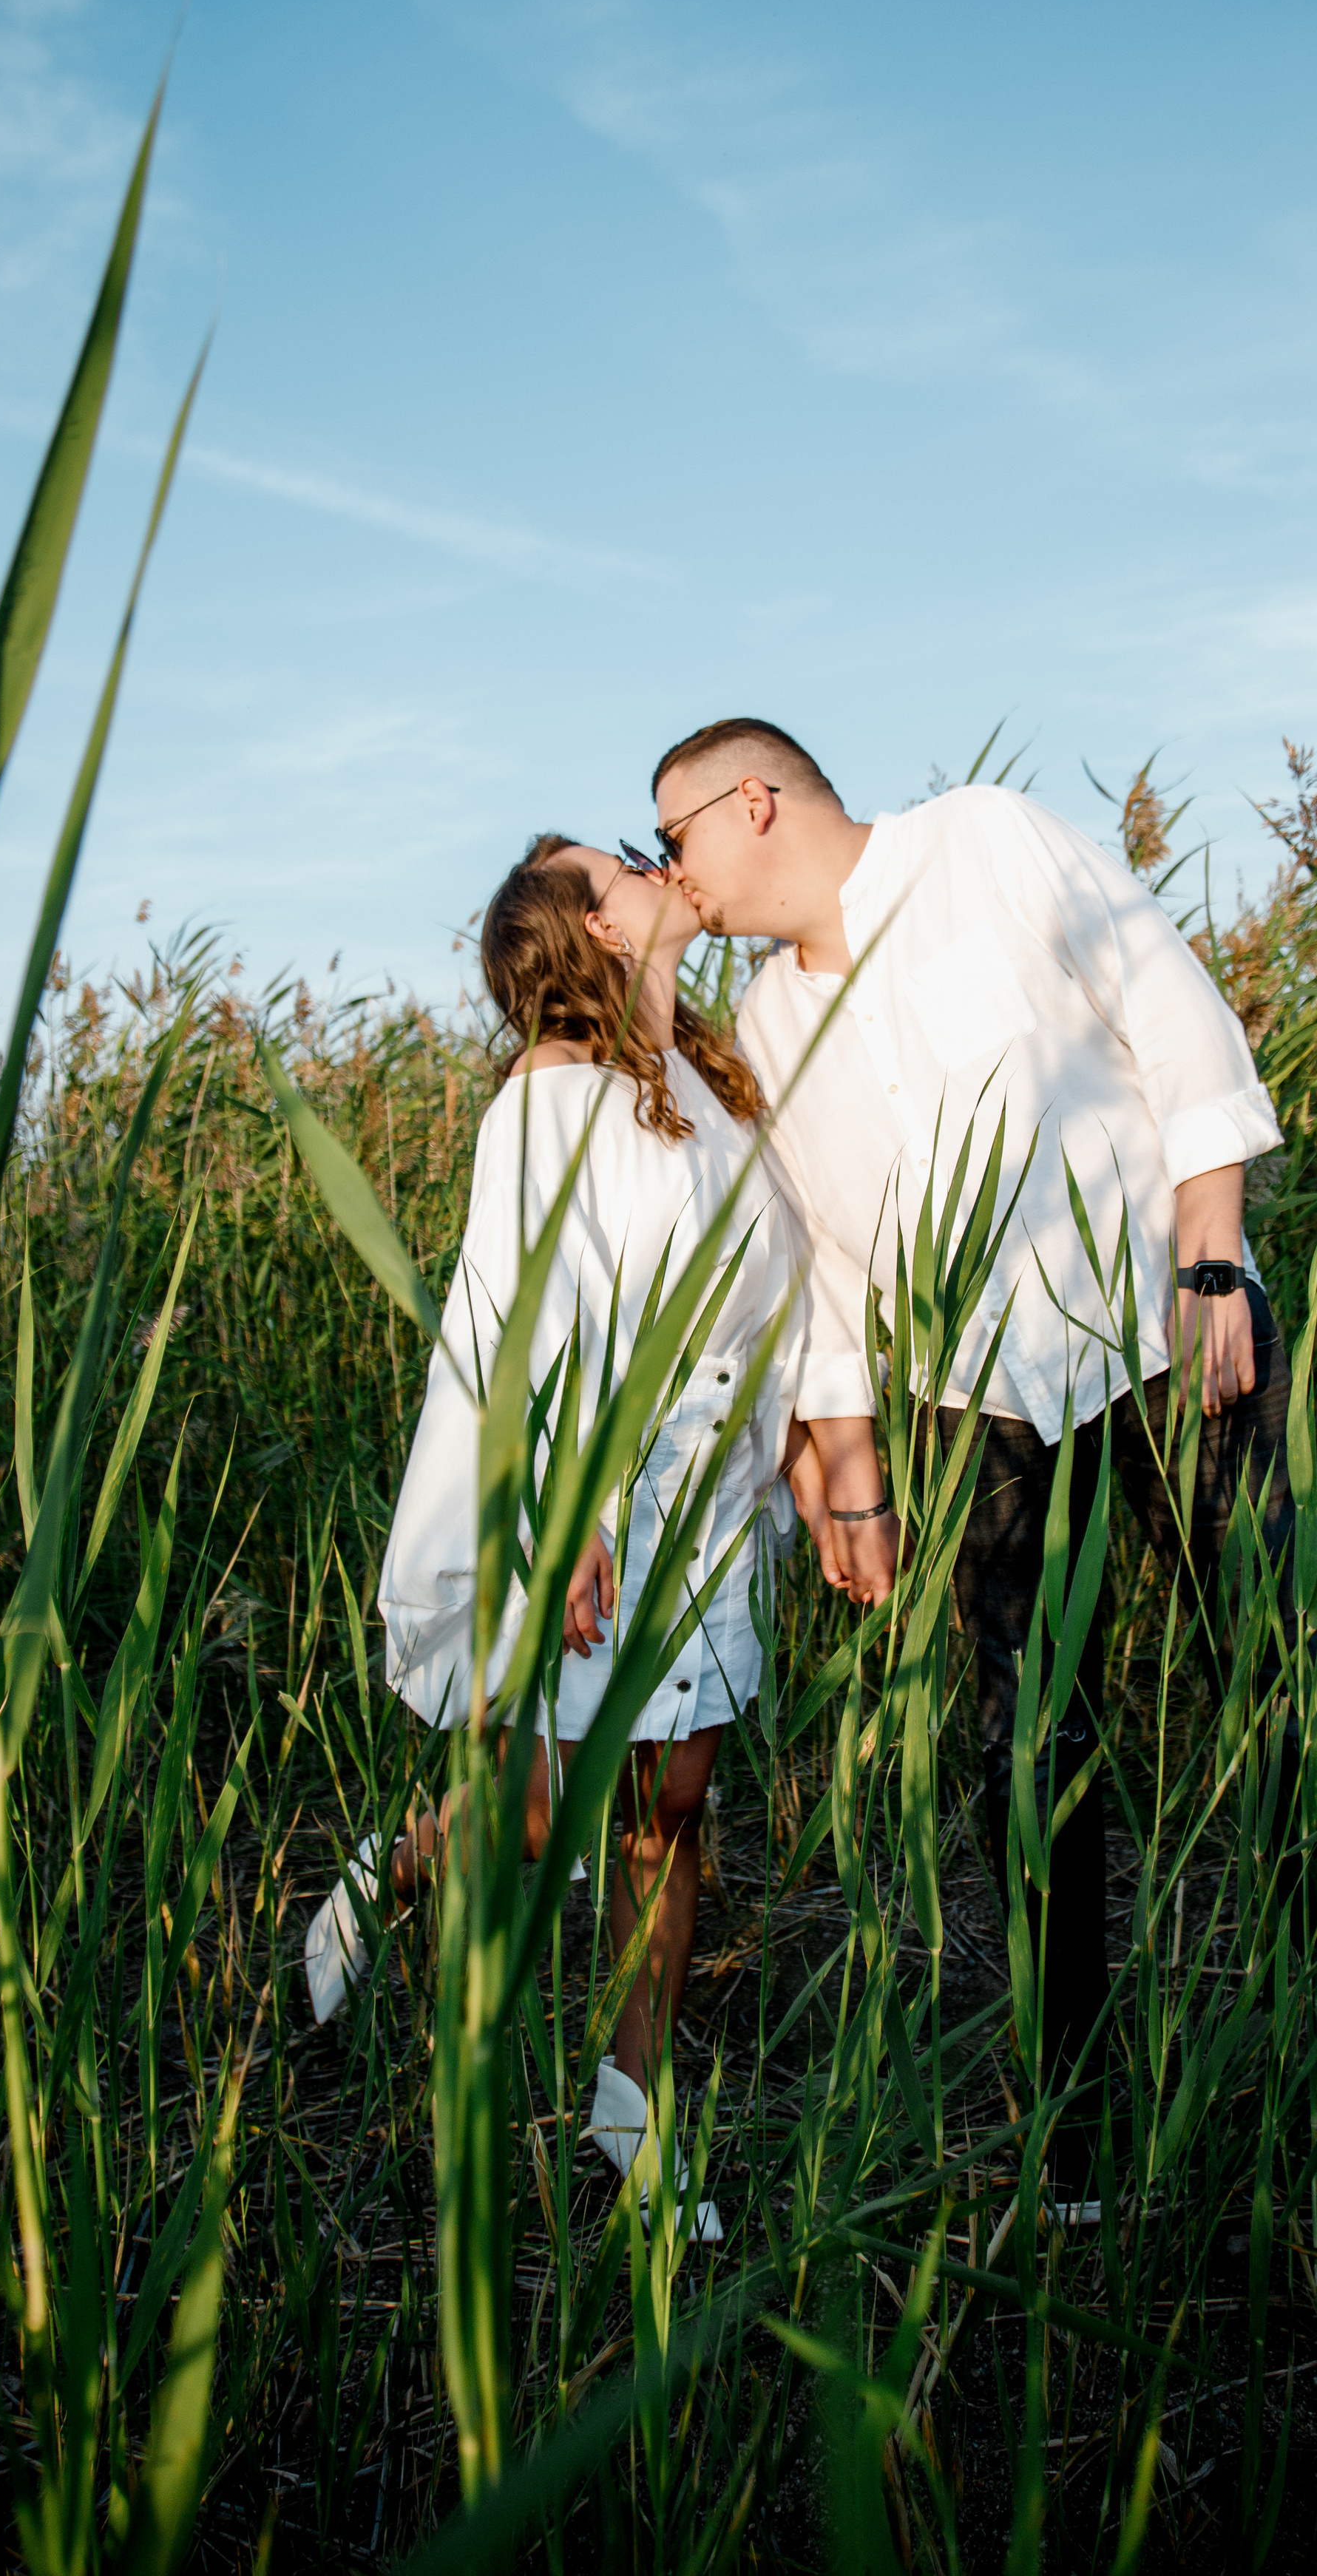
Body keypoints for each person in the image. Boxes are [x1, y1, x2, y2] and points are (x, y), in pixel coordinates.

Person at [647, 718, 1294, 2183]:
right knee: (1026, 1746)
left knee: (1271, 1683)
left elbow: (1165, 1003)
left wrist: (1209, 1252)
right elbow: (818, 1262)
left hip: (1164, 1329)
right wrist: (852, 1466)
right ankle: (1074, 2110)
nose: (673, 875)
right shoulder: (762, 1025)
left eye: (674, 840)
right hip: (973, 1399)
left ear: (751, 802)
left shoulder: (982, 839)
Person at [376, 832, 813, 2234]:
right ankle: (379, 1889)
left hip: (711, 1486)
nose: (651, 866)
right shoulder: (545, 1102)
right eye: (618, 866)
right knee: (556, 1808)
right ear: (590, 932)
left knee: (674, 1803)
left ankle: (632, 2112)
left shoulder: (704, 1075)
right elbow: (520, 1322)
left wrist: (804, 1445)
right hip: (604, 1487)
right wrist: (565, 1518)